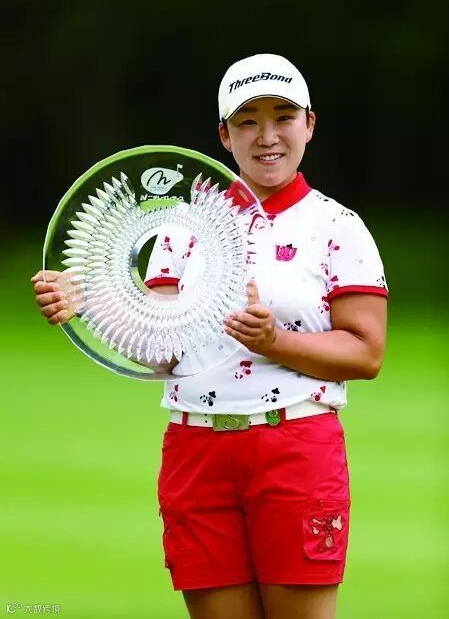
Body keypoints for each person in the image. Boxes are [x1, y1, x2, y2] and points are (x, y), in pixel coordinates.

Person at [31, 53, 388, 619]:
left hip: (294, 447)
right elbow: (159, 347)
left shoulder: (337, 227)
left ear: (309, 125)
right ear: (224, 135)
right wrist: (86, 304)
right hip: (196, 449)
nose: (266, 137)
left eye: (283, 118)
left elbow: (366, 353)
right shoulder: (181, 227)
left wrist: (275, 342)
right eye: (247, 122)